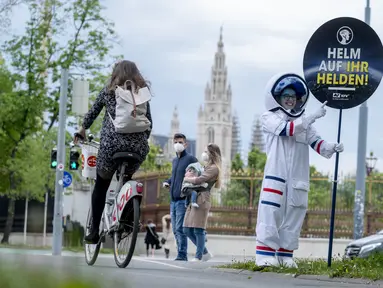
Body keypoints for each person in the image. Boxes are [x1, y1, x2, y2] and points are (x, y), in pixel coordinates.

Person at [255, 72, 344, 268]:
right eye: (286, 96)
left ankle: (286, 254)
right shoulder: (269, 117)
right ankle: (265, 253)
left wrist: (331, 147)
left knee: (295, 214)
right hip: (276, 176)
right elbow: (287, 129)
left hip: (298, 178)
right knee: (271, 212)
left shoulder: (304, 121)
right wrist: (311, 117)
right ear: (277, 97)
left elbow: (317, 143)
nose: (289, 100)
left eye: (293, 97)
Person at [74, 60, 152, 244]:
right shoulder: (142, 92)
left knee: (101, 185)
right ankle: (127, 220)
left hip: (111, 146)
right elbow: (149, 122)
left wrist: (82, 130)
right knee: (127, 179)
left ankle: (93, 232)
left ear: (115, 73)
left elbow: (93, 112)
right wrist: (138, 142)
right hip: (137, 148)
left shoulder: (109, 89)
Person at [163, 133, 198, 261]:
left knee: (180, 228)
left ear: (185, 144)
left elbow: (196, 174)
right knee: (175, 229)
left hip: (183, 199)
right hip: (173, 200)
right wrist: (168, 182)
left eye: (180, 142)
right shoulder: (175, 160)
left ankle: (182, 254)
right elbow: (175, 177)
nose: (178, 144)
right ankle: (181, 252)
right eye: (176, 142)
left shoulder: (191, 159)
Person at [182, 143, 220, 262]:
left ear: (212, 154)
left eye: (206, 152)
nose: (204, 154)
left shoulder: (214, 168)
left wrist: (187, 178)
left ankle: (198, 256)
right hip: (194, 196)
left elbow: (199, 180)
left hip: (202, 197)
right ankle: (205, 252)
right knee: (186, 229)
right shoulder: (205, 166)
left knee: (199, 228)